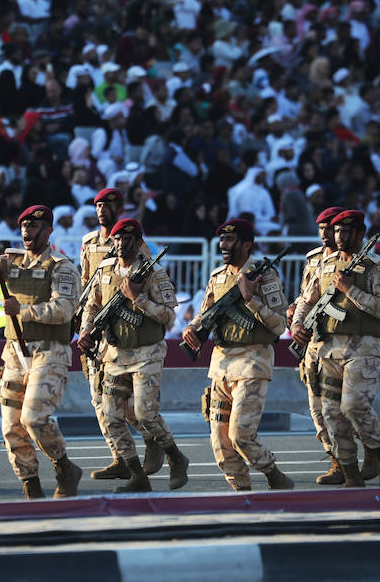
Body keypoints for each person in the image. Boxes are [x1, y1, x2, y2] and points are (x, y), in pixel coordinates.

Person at [0, 205, 83, 500]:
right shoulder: (10, 262)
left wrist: (24, 311)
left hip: (49, 352)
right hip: (14, 352)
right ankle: (31, 484)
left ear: (48, 231)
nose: (28, 232)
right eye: (24, 227)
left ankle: (63, 466)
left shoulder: (61, 266)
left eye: (35, 227)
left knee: (34, 418)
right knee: (11, 426)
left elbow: (64, 309)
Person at [291, 209, 380, 487]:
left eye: (347, 231)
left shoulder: (377, 267)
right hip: (329, 345)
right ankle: (350, 472)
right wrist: (297, 324)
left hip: (363, 345)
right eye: (337, 231)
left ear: (361, 234)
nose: (340, 237)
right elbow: (307, 298)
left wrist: (352, 291)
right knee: (331, 413)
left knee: (354, 407)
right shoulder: (326, 264)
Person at [181, 218, 294, 492]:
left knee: (240, 435)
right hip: (221, 365)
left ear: (247, 244)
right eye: (222, 240)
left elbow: (280, 324)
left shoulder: (265, 276)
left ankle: (272, 472)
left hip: (252, 363)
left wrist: (251, 299)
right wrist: (192, 329)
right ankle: (240, 491)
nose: (223, 245)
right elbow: (204, 313)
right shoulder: (218, 277)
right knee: (220, 441)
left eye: (230, 240)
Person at [78, 218, 189, 492]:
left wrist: (138, 299)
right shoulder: (105, 269)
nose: (120, 244)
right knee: (111, 415)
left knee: (145, 413)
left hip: (147, 353)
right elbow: (93, 304)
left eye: (127, 240)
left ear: (139, 242)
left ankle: (176, 457)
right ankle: (136, 474)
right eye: (116, 239)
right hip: (115, 354)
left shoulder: (154, 273)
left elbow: (169, 317)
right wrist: (86, 330)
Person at [78, 188, 163, 481]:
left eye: (108, 205)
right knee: (99, 399)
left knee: (125, 403)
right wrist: (84, 326)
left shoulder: (134, 242)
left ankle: (152, 437)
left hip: (123, 329)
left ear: (120, 207)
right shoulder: (88, 242)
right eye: (98, 205)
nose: (102, 210)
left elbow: (144, 279)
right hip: (98, 325)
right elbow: (87, 284)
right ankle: (120, 458)